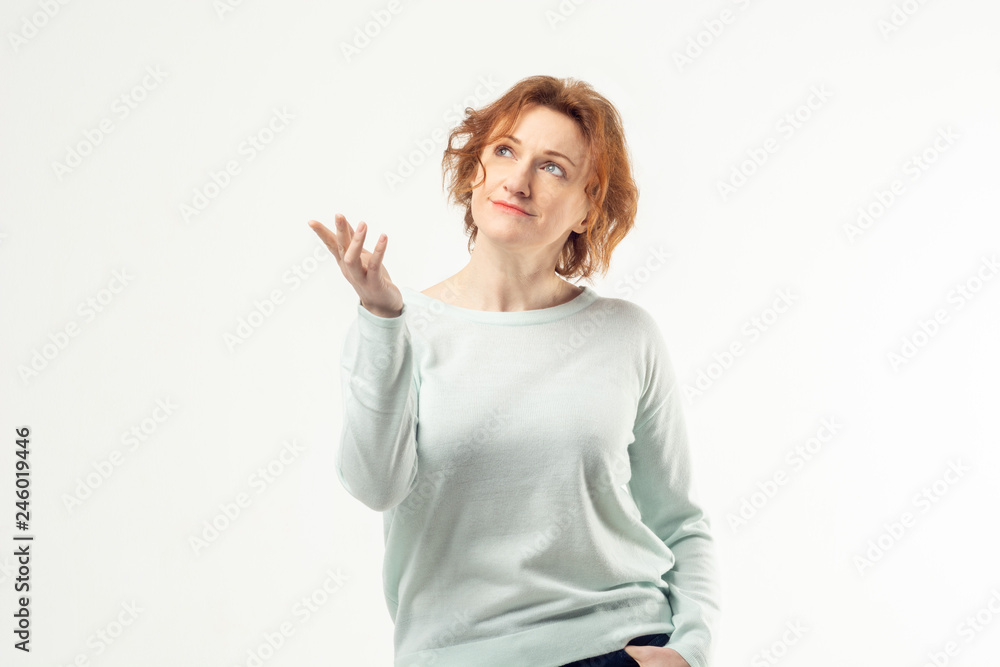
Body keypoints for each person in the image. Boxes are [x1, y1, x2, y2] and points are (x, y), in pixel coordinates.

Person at [308, 75, 720, 667]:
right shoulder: (399, 323)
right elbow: (375, 486)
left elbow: (680, 521)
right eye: (505, 150)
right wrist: (381, 318)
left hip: (618, 648)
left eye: (553, 167)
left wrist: (691, 650)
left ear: (587, 208)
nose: (518, 181)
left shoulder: (626, 334)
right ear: (474, 169)